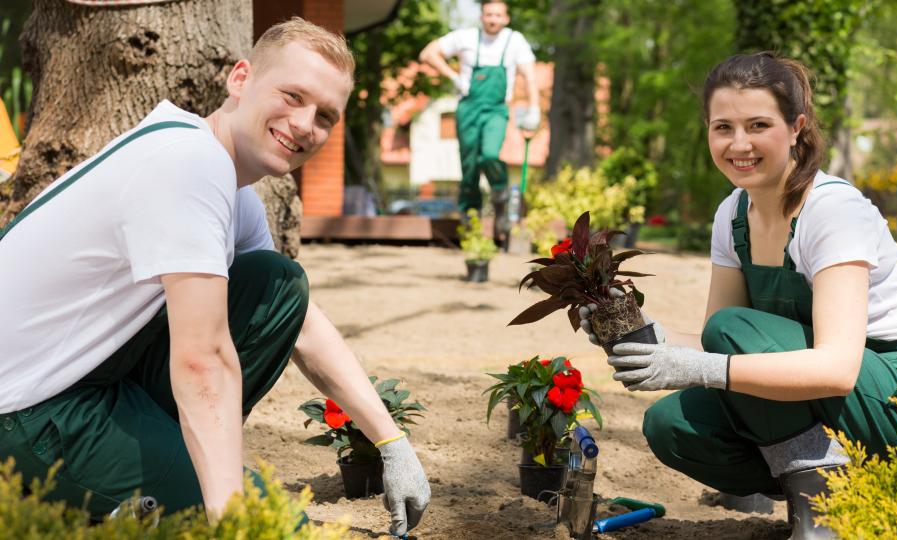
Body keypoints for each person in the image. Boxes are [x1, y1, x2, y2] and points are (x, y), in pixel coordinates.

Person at [0, 18, 429, 536]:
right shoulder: (190, 164)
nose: (304, 124)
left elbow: (301, 324)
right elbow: (203, 359)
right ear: (241, 79)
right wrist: (230, 515)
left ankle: (159, 473)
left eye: (324, 116)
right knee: (275, 522)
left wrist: (391, 442)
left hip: (83, 380)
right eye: (292, 95)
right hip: (28, 412)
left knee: (277, 283)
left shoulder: (226, 179)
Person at [581, 52, 897, 539]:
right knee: (671, 424)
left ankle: (821, 516)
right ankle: (842, 485)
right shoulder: (732, 214)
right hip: (842, 401)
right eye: (723, 128)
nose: (740, 144)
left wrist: (704, 369)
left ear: (796, 127)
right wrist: (645, 333)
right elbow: (715, 343)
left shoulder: (832, 212)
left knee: (732, 330)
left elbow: (837, 368)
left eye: (758, 125)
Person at [419, 0, 540, 246]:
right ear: (482, 17)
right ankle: (470, 220)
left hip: (496, 109)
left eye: (498, 15)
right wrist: (453, 76)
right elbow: (427, 53)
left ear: (506, 18)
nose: (493, 19)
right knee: (470, 165)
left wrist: (534, 107)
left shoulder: (514, 41)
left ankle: (500, 197)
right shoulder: (465, 37)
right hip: (468, 107)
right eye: (488, 14)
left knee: (489, 155)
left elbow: (529, 75)